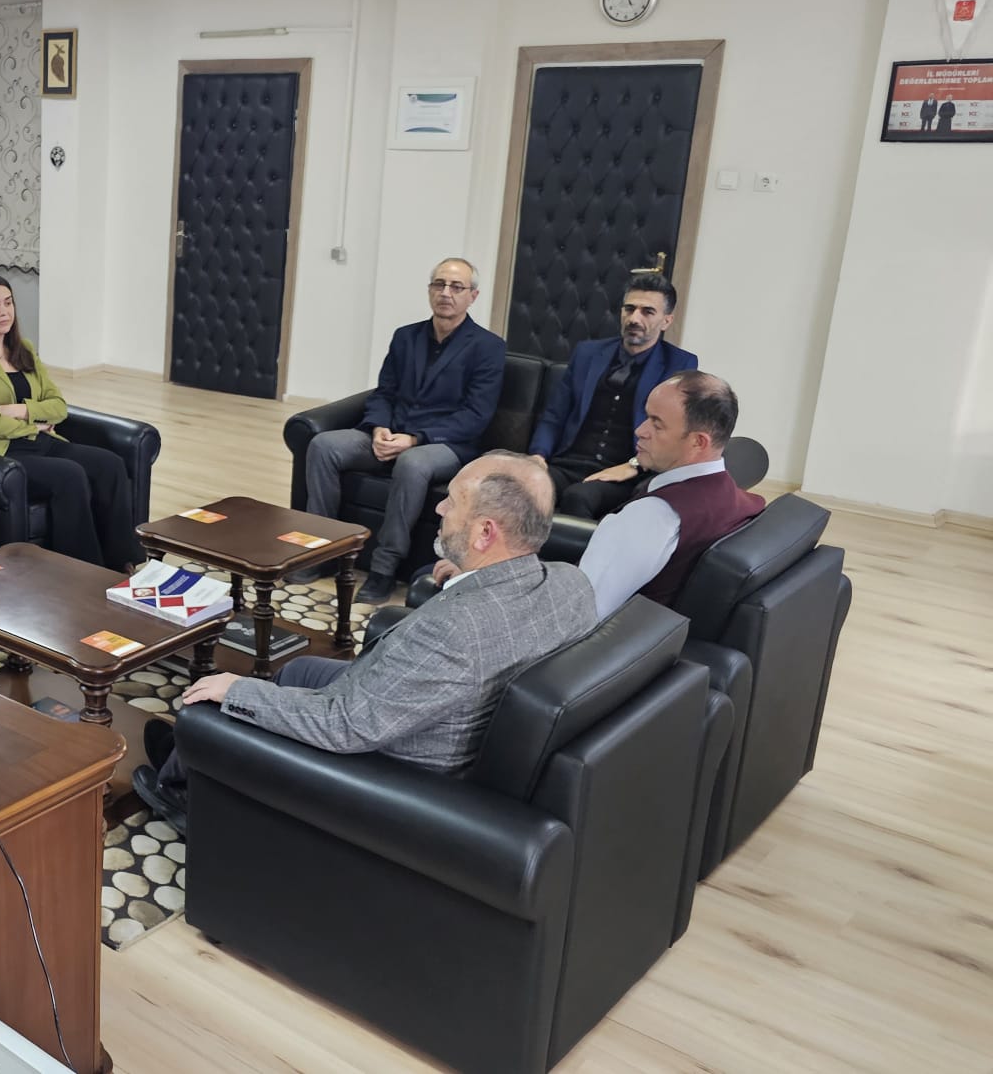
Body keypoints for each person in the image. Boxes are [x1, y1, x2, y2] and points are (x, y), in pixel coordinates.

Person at [134, 451, 595, 834]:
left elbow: (345, 726)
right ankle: (188, 760)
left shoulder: (453, 631)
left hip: (392, 765)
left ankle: (182, 793)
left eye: (452, 501)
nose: (439, 509)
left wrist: (236, 689)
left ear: (485, 533)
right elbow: (493, 615)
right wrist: (467, 577)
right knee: (296, 669)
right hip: (425, 710)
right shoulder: (568, 583)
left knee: (216, 702)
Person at [300, 257, 506, 603]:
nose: (446, 293)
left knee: (412, 463)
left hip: (445, 444)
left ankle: (384, 568)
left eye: (456, 287)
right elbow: (384, 393)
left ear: (473, 296)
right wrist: (379, 427)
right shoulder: (406, 336)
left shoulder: (488, 347)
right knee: (323, 445)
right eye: (439, 284)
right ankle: (321, 550)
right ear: (429, 290)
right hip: (392, 434)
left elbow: (475, 416)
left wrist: (415, 439)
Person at [0, 274, 143, 570]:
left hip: (37, 441)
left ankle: (123, 563)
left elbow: (58, 407)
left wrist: (19, 410)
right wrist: (35, 424)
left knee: (110, 465)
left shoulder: (24, 349)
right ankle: (80, 571)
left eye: (8, 303)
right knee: (69, 475)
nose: (3, 312)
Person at [575, 371, 765, 618]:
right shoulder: (737, 499)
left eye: (657, 424)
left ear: (698, 442)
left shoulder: (652, 516)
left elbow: (581, 611)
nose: (640, 430)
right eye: (647, 417)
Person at [526, 271, 698, 519]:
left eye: (647, 312)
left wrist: (635, 465)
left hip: (625, 471)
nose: (634, 318)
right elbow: (555, 414)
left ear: (666, 321)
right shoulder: (587, 353)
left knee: (578, 497)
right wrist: (538, 456)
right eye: (629, 309)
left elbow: (671, 432)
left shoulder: (679, 365)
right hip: (568, 462)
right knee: (523, 485)